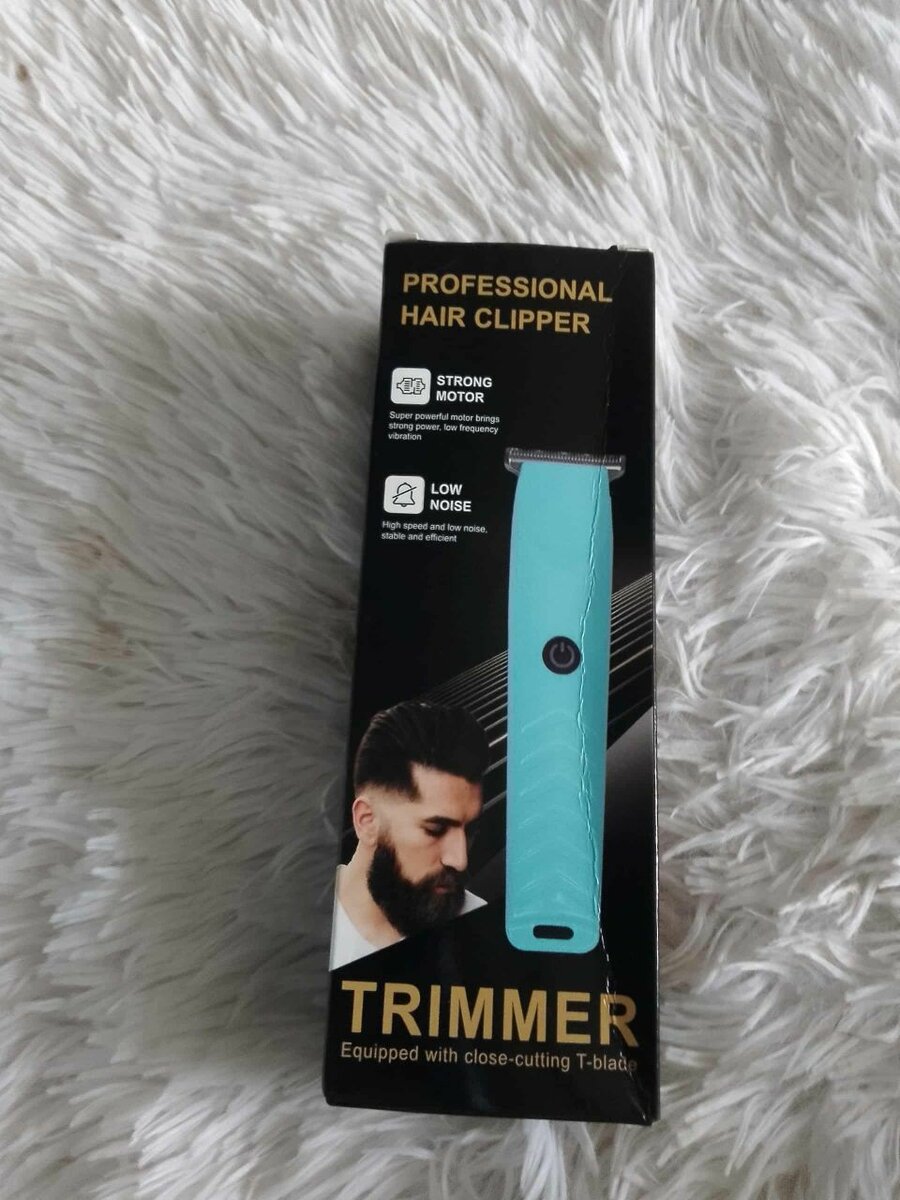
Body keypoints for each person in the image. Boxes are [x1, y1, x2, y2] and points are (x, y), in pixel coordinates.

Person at [330, 701, 489, 969]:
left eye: (470, 829)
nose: (460, 860)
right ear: (367, 821)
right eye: (435, 829)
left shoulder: (483, 935)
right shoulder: (293, 928)